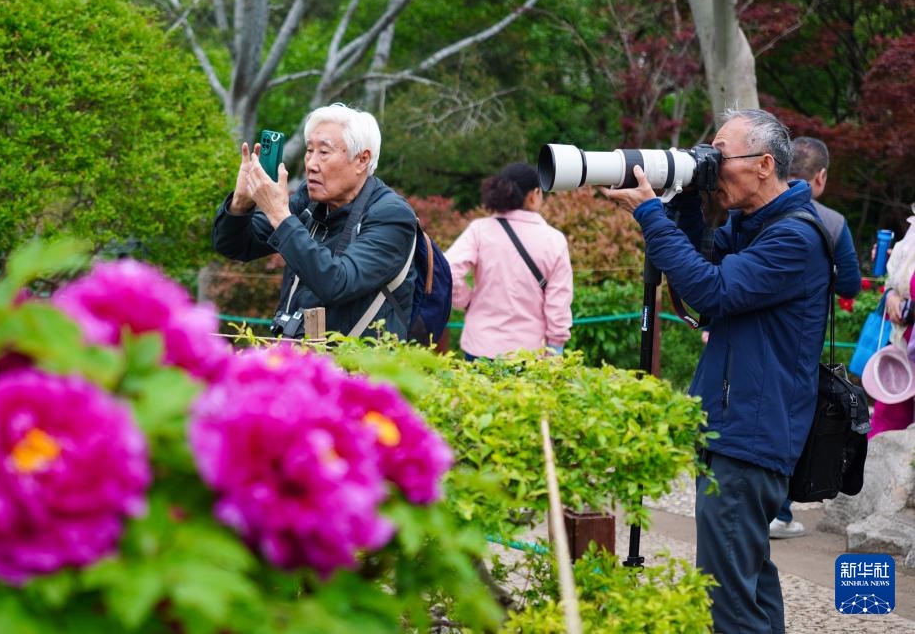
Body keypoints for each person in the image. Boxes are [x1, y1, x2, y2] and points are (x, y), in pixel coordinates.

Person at [603, 109, 829, 634]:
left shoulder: (793, 238)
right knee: (748, 581)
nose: (712, 164)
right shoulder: (753, 225)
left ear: (764, 165)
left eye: (720, 156)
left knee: (726, 599)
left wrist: (650, 216)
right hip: (741, 424)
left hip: (752, 432)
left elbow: (714, 290)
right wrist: (680, 198)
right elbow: (696, 280)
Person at [211, 104, 417, 339]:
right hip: (300, 360)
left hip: (359, 369)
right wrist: (240, 204)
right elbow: (235, 246)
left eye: (324, 152)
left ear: (362, 159)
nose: (311, 164)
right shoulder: (308, 201)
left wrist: (279, 214)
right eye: (309, 150)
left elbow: (338, 282)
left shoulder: (391, 215)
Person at [769, 136, 861, 540]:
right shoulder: (832, 221)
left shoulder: (754, 208)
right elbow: (851, 286)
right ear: (819, 176)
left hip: (746, 333)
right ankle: (779, 510)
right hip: (800, 340)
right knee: (792, 420)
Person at [445, 163, 572, 360]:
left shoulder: (479, 230)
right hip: (530, 353)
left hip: (480, 346)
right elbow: (559, 302)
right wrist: (556, 346)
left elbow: (447, 271)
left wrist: (466, 302)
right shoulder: (554, 240)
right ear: (534, 194)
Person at [872, 210, 915, 436]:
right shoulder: (912, 230)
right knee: (885, 424)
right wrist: (891, 295)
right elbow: (899, 280)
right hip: (902, 346)